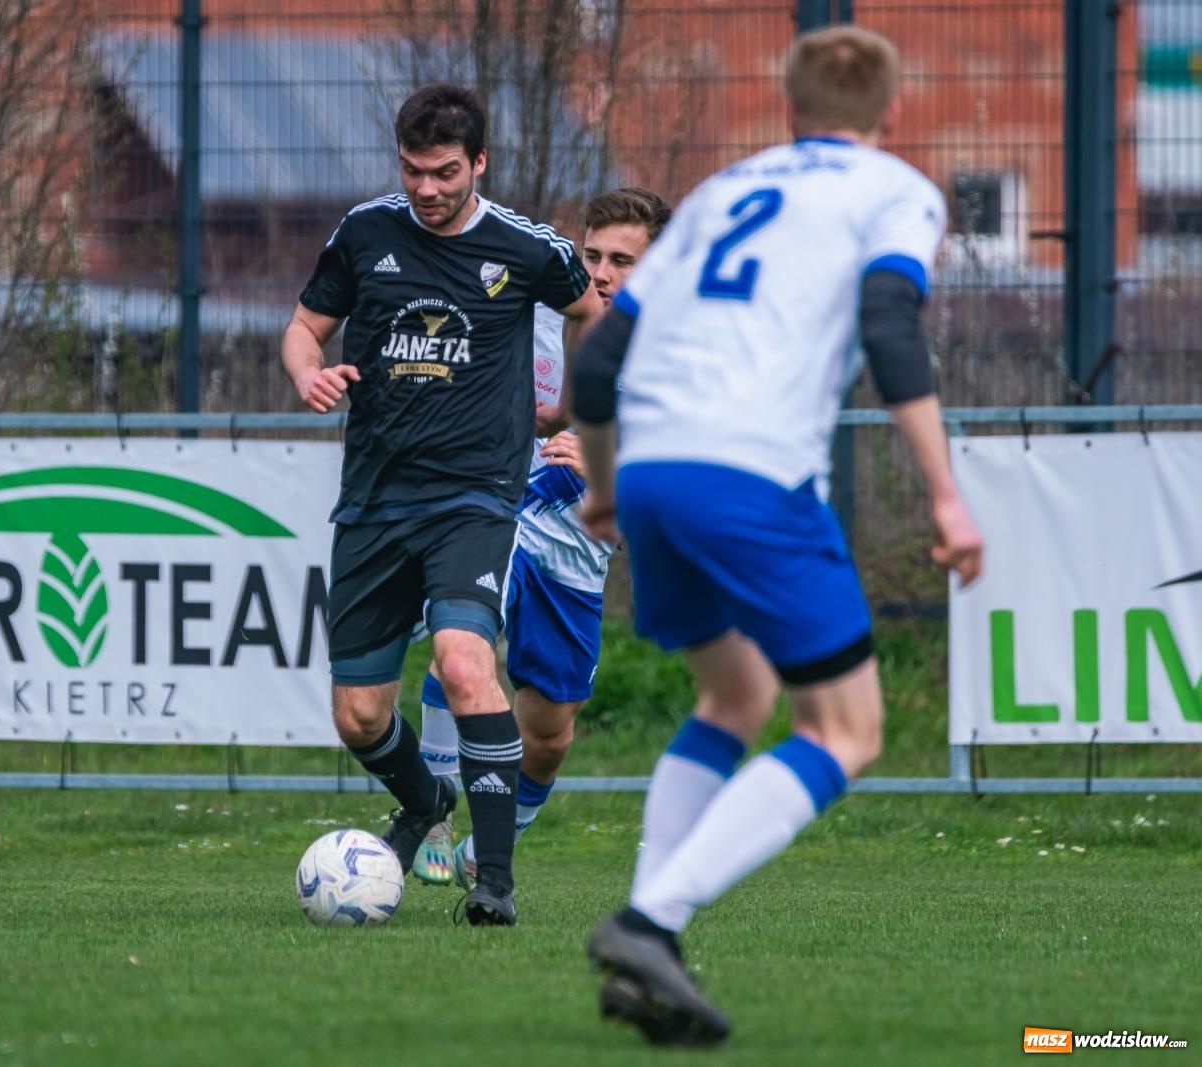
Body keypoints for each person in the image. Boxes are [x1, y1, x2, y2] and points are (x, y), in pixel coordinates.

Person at [568, 27, 984, 1044]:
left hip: (658, 467)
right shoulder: (895, 191)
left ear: (787, 106)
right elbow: (891, 330)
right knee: (845, 728)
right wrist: (944, 494)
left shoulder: (717, 194)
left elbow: (593, 368)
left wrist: (608, 490)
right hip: (750, 475)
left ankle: (643, 951)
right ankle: (648, 920)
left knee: (735, 692)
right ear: (887, 114)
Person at [281, 84, 603, 926]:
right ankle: (423, 801)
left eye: (446, 173)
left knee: (465, 661)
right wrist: (307, 373)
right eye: (414, 171)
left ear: (480, 163)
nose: (427, 189)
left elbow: (590, 311)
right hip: (374, 501)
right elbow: (302, 327)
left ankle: (492, 879)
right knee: (359, 716)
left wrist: (572, 410)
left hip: (474, 498)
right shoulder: (365, 232)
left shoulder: (528, 247)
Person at [408, 188, 673, 889]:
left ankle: (486, 850)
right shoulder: (535, 315)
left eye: (624, 260)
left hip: (579, 550)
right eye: (593, 255)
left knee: (551, 733)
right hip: (505, 507)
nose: (603, 273)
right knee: (463, 644)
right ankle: (433, 810)